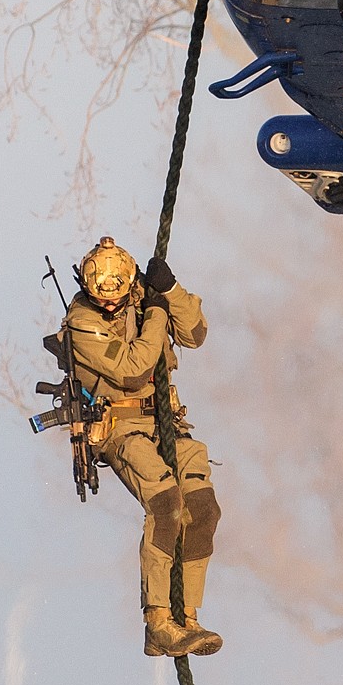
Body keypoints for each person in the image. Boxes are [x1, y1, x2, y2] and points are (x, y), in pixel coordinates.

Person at [61, 235, 222, 657]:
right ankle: (158, 621)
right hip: (120, 427)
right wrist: (155, 312)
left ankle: (187, 615)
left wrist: (170, 291)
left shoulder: (141, 297)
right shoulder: (82, 320)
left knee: (203, 510)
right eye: (103, 300)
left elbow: (196, 333)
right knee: (166, 504)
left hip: (166, 419)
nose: (112, 307)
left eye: (117, 298)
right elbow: (133, 370)